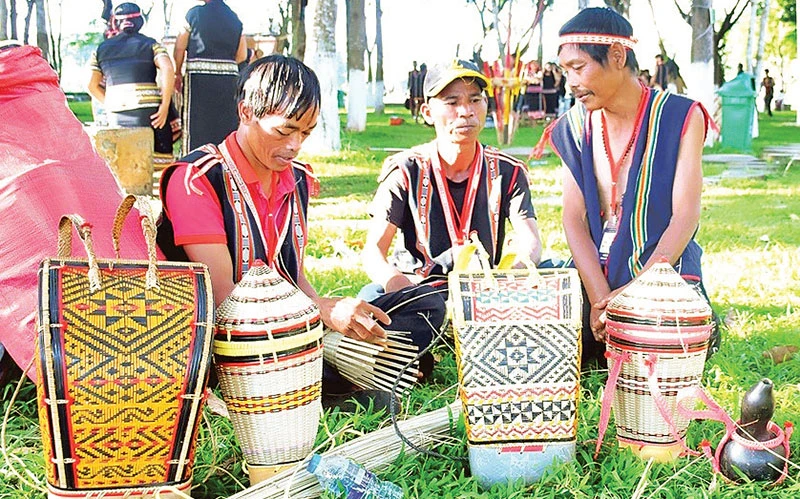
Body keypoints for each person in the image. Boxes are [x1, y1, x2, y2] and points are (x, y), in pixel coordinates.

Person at [157, 55, 397, 409]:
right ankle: (329, 381)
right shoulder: (196, 178)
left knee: (421, 305)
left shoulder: (297, 177)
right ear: (246, 113)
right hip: (226, 340)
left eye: (306, 132)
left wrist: (327, 311)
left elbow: (292, 273)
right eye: (284, 131)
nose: (295, 144)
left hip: (289, 325)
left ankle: (345, 370)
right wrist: (319, 313)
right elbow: (225, 304)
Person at [538, 7, 720, 365]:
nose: (571, 82)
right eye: (565, 71)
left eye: (579, 68)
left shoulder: (681, 116)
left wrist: (634, 295)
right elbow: (574, 218)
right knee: (540, 325)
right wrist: (599, 297)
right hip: (595, 275)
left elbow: (685, 217)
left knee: (670, 340)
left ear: (618, 57)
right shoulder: (573, 126)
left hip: (660, 271)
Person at [361, 59, 544, 376]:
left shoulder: (508, 171)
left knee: (560, 278)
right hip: (421, 293)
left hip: (488, 294)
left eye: (475, 99)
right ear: (427, 112)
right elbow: (373, 253)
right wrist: (403, 290)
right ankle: (409, 352)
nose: (466, 111)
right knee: (370, 300)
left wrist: (505, 281)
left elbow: (531, 243)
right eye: (452, 101)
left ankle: (417, 350)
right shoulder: (405, 170)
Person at [87, 2, 179, 170]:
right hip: (149, 113)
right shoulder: (151, 44)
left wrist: (110, 104)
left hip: (116, 114)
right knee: (167, 123)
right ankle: (159, 169)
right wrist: (165, 106)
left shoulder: (101, 49)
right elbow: (167, 68)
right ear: (140, 21)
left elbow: (91, 86)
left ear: (116, 22)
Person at [173, 0, 247, 154]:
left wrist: (177, 72)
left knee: (196, 125)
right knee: (224, 125)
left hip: (199, 80)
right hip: (228, 81)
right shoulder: (235, 19)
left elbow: (180, 47)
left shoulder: (194, 14)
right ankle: (224, 165)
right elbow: (242, 55)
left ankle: (192, 165)